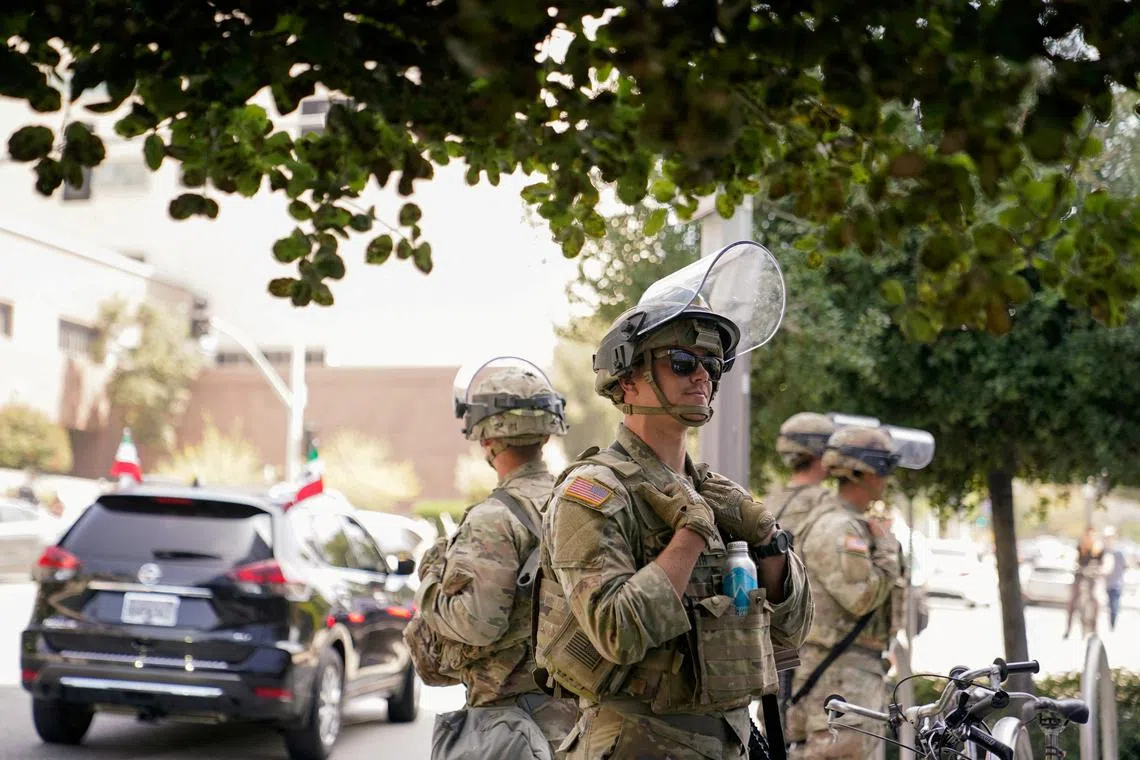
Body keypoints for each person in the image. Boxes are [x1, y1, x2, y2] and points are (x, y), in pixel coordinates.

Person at [535, 278, 814, 760]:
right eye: (682, 363)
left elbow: (791, 630)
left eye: (712, 365)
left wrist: (767, 537)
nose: (702, 376)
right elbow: (616, 631)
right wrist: (691, 534)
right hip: (639, 742)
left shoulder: (716, 493)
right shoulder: (595, 493)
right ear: (627, 379)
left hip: (730, 740)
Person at [413, 357, 579, 759]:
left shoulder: (493, 519)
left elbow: (479, 624)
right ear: (547, 433)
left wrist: (430, 586)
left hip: (512, 724)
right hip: (580, 718)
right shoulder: (579, 502)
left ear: (486, 439)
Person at [784, 426, 903, 760]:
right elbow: (861, 598)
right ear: (860, 472)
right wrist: (887, 550)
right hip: (839, 675)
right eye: (882, 467)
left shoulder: (849, 521)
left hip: (845, 671)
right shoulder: (838, 527)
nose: (886, 477)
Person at [1064, 526, 1104, 640]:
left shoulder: (1098, 548)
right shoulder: (1080, 546)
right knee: (1072, 599)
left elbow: (1102, 563)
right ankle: (1068, 628)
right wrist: (1076, 566)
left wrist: (1098, 569)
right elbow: (1074, 559)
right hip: (1079, 575)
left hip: (1092, 577)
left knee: (1095, 598)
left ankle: (1095, 627)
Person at [1102, 526, 1125, 632]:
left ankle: (1112, 625)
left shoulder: (1119, 552)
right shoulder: (1102, 551)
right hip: (1105, 583)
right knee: (1109, 605)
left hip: (1116, 583)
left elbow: (1124, 566)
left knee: (1114, 605)